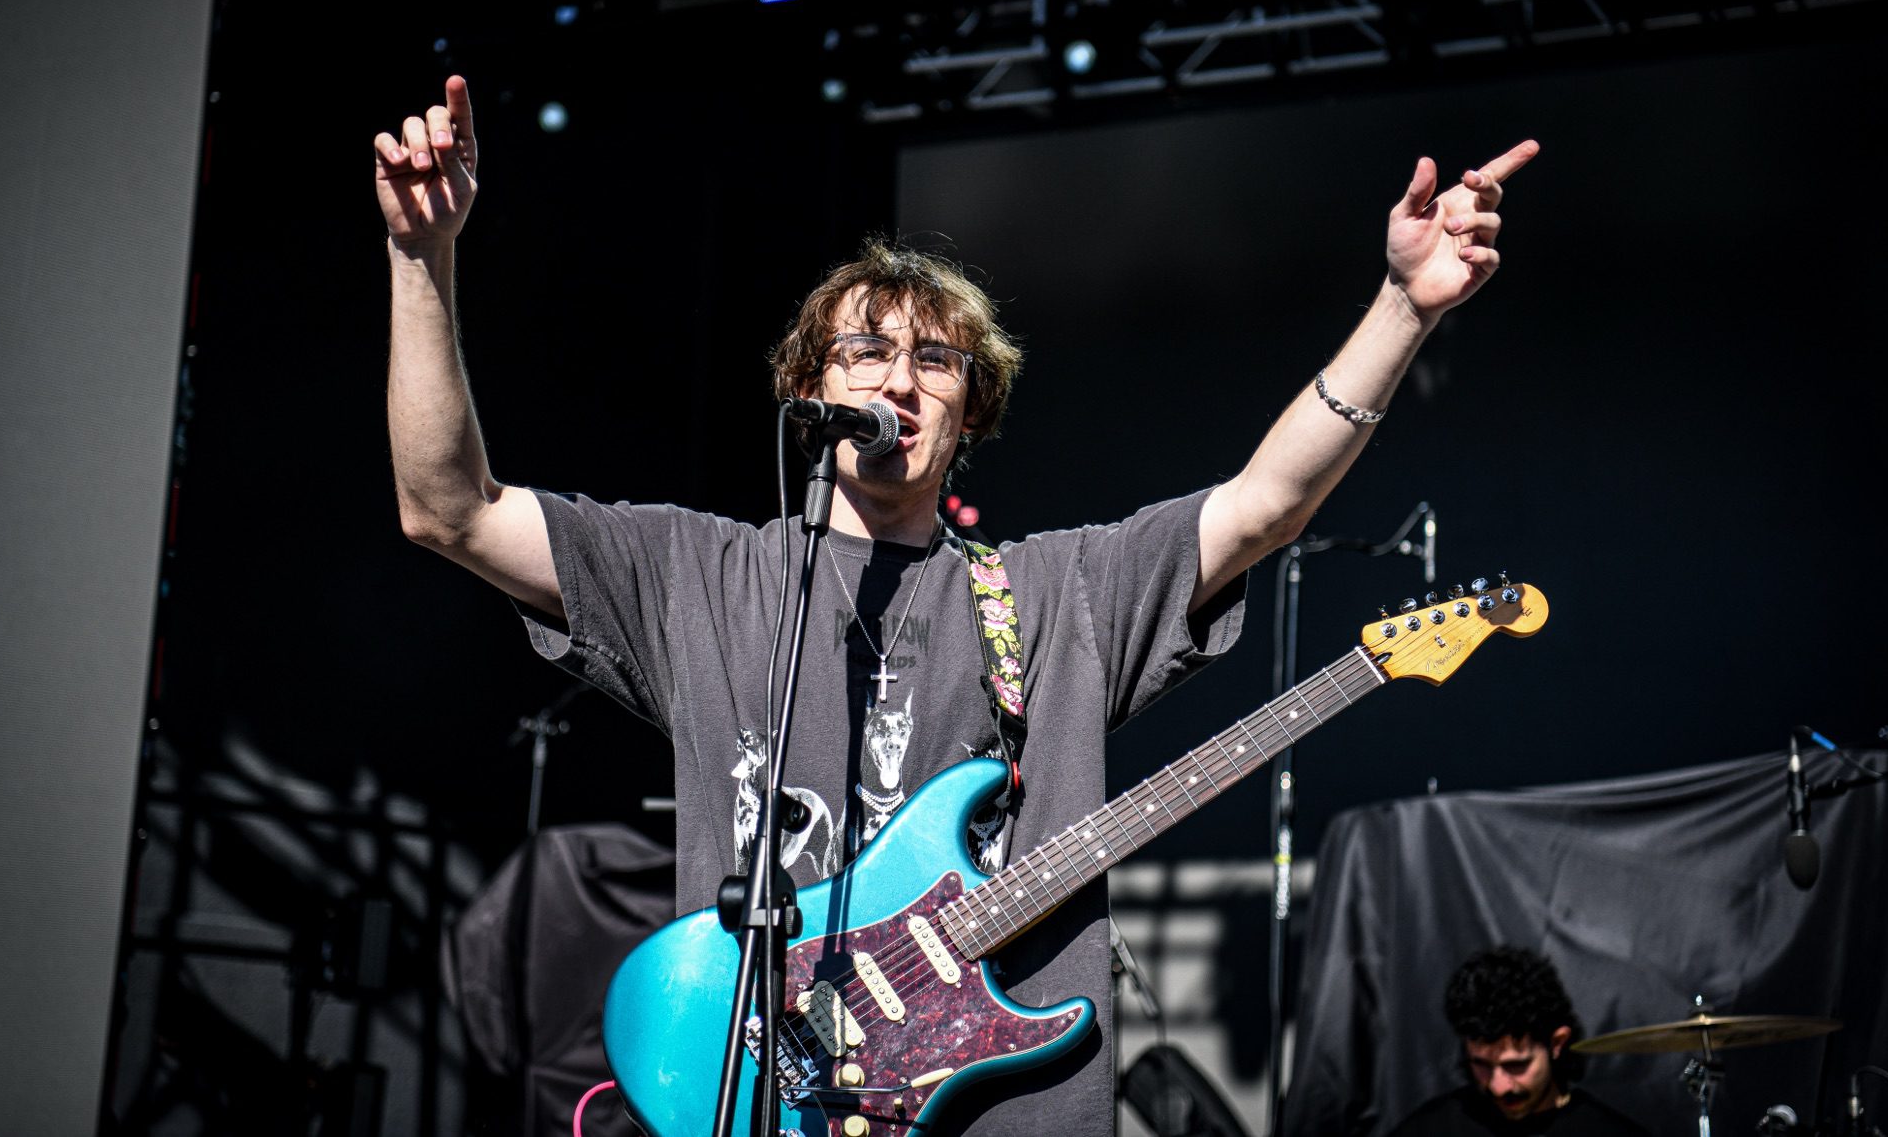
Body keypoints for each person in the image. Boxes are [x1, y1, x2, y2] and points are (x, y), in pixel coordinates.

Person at [375, 74, 1538, 1136]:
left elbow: (1264, 505)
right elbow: (447, 512)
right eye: (864, 351)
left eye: (934, 362)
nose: (897, 378)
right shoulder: (696, 573)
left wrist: (1402, 306)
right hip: (755, 1093)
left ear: (968, 410)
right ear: (810, 387)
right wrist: (421, 259)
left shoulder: (1054, 591)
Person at [1387, 947, 1650, 1136]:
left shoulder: (1605, 1130)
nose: (1498, 1086)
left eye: (1515, 1066)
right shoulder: (1433, 1127)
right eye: (1481, 1065)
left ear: (1557, 1044)